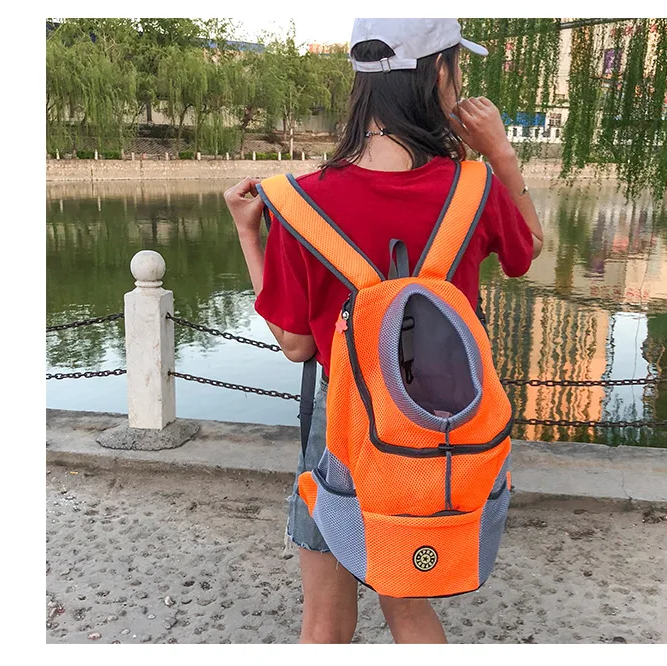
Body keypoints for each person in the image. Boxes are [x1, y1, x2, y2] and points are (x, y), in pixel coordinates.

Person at [224, 18, 543, 644]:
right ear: (439, 73)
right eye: (457, 67)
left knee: (323, 623)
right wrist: (501, 154)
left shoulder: (299, 201)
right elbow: (526, 251)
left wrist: (247, 234)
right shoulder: (474, 187)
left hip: (342, 427)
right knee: (409, 609)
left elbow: (296, 345)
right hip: (434, 429)